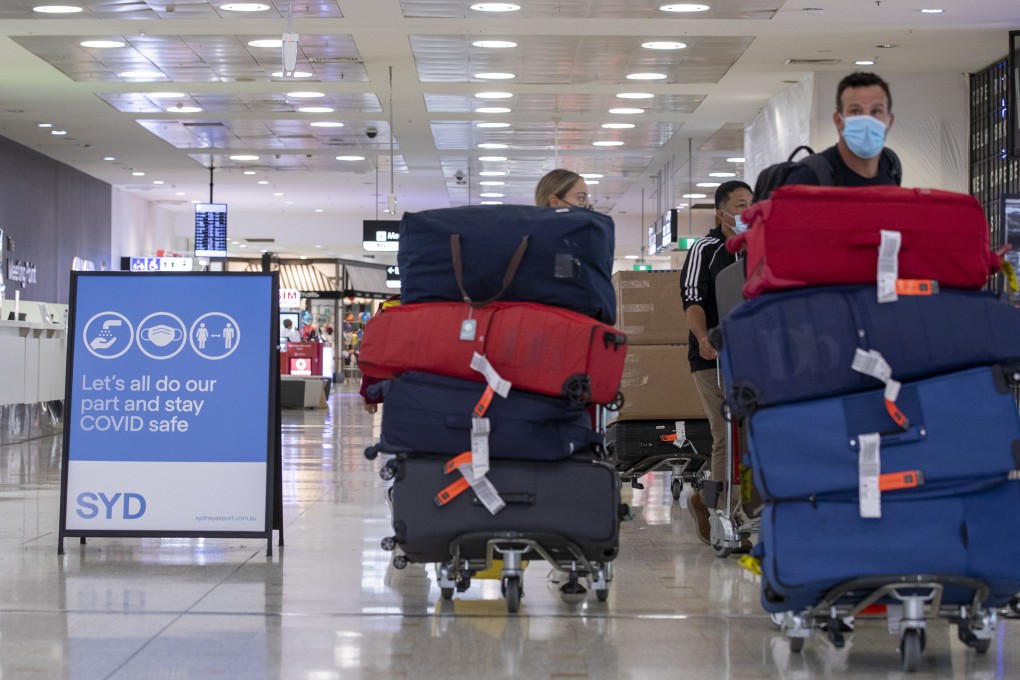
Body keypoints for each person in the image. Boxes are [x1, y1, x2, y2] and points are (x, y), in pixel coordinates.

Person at [679, 180, 754, 549]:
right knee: (727, 431)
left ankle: (706, 499)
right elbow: (692, 298)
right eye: (739, 205)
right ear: (720, 211)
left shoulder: (758, 250)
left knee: (748, 432)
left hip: (751, 356)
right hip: (712, 358)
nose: (746, 212)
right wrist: (703, 336)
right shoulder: (705, 249)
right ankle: (726, 511)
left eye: (751, 205)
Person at [784, 71, 900, 187]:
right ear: (838, 121)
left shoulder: (891, 164)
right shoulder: (809, 176)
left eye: (876, 111)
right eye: (855, 111)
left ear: (890, 121)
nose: (866, 121)